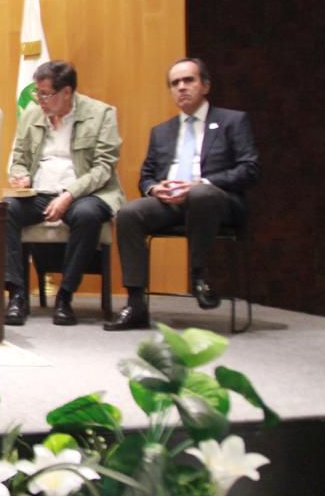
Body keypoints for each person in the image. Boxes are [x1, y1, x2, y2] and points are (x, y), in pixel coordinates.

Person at [105, 58, 260, 331]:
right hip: (171, 203)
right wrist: (155, 188)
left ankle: (199, 277)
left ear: (205, 85)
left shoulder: (232, 121)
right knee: (128, 213)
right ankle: (136, 303)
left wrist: (201, 183)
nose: (182, 87)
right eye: (175, 83)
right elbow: (146, 176)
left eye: (189, 80)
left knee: (201, 195)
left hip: (217, 202)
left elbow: (250, 169)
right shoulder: (162, 131)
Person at [4, 60, 123, 327]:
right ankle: (17, 295)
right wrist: (21, 174)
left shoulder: (101, 114)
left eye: (46, 94)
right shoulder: (32, 114)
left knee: (87, 215)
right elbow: (19, 158)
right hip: (40, 191)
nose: (40, 100)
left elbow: (104, 168)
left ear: (67, 92)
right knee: (6, 209)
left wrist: (69, 195)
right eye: (38, 93)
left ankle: (65, 297)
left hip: (85, 192)